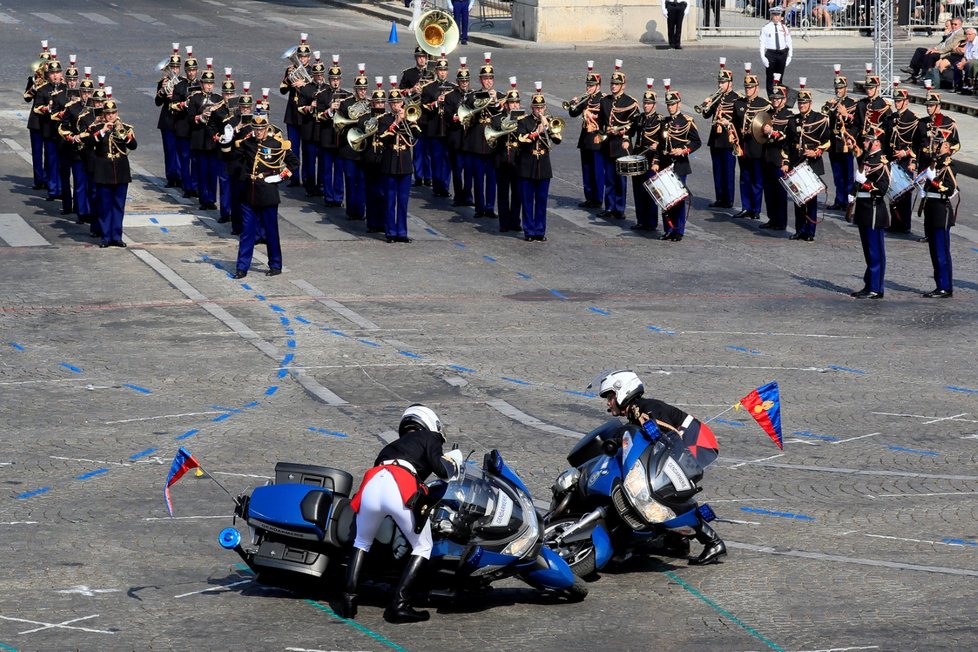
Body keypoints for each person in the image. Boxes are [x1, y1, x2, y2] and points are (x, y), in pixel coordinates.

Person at [338, 404, 465, 623]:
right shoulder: (429, 437)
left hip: (372, 482)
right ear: (430, 424)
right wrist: (454, 461)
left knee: (361, 542)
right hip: (399, 484)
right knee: (423, 546)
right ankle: (399, 605)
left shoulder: (391, 446)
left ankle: (348, 601)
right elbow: (443, 471)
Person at [592, 370, 726, 565]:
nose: (608, 402)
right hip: (680, 457)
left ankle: (713, 542)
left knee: (656, 497)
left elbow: (670, 437)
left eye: (610, 397)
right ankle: (677, 540)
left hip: (688, 456)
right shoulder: (637, 411)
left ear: (623, 392)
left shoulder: (646, 409)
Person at [232, 110, 299, 278]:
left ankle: (275, 264)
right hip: (250, 193)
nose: (258, 132)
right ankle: (241, 267)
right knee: (247, 232)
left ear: (267, 127)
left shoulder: (276, 144)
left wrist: (279, 177)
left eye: (261, 129)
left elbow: (294, 163)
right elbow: (234, 159)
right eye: (256, 129)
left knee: (271, 231)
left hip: (268, 193)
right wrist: (227, 142)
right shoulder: (247, 143)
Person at [915, 92, 960, 298]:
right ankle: (940, 284)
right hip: (931, 207)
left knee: (942, 250)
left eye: (939, 144)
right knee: (934, 250)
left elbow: (950, 188)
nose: (935, 146)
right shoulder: (934, 162)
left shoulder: (947, 166)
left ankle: (945, 286)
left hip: (941, 209)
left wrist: (933, 179)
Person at [848, 127, 890, 299]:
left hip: (874, 209)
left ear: (876, 142)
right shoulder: (867, 158)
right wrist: (852, 194)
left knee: (875, 251)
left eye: (867, 140)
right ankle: (870, 284)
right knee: (868, 251)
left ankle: (875, 288)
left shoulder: (881, 161)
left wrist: (864, 183)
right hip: (864, 209)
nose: (864, 142)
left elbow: (882, 189)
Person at [89, 99, 137, 248]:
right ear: (104, 115)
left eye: (113, 113)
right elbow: (90, 143)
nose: (111, 116)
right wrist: (103, 131)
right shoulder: (96, 128)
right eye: (108, 113)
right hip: (104, 170)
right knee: (104, 206)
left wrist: (123, 134)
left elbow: (133, 145)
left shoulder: (125, 128)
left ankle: (116, 236)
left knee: (118, 205)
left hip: (120, 170)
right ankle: (105, 236)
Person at [516, 86, 560, 241]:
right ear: (532, 108)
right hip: (527, 164)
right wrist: (537, 131)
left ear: (545, 107)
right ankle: (529, 230)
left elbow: (557, 140)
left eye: (541, 107)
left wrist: (547, 127)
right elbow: (521, 140)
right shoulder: (524, 121)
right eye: (536, 108)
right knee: (527, 200)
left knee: (541, 200)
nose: (539, 110)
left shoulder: (548, 121)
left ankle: (540, 230)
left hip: (543, 165)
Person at [655, 88, 701, 241]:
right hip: (665, 165)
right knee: (666, 200)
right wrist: (656, 162)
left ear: (679, 104)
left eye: (673, 104)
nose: (670, 107)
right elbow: (659, 145)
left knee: (678, 200)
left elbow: (697, 142)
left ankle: (678, 230)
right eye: (668, 104)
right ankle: (668, 229)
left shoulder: (686, 121)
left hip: (679, 165)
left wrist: (683, 150)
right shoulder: (664, 122)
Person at [785, 85, 830, 241]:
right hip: (797, 163)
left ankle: (810, 231)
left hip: (812, 164)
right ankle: (800, 229)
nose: (802, 105)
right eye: (800, 103)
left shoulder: (819, 119)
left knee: (811, 200)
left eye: (804, 103)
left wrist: (816, 151)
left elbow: (827, 141)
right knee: (799, 199)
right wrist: (786, 162)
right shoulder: (793, 121)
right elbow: (788, 144)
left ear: (810, 103)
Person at [378, 89, 422, 243]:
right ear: (389, 104)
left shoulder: (409, 118)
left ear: (402, 103)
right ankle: (390, 232)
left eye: (398, 102)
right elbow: (382, 138)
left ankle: (402, 232)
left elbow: (418, 135)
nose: (396, 105)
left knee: (403, 201)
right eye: (393, 103)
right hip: (390, 163)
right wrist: (396, 122)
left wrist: (411, 121)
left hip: (405, 164)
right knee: (390, 200)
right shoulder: (384, 119)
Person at [598, 62, 640, 220]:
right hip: (608, 144)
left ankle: (619, 208)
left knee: (620, 179)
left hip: (621, 145)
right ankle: (609, 206)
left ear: (623, 85)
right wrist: (603, 131)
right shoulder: (605, 101)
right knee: (608, 178)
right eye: (612, 83)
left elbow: (635, 124)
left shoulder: (629, 103)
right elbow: (602, 121)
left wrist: (624, 132)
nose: (613, 86)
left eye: (616, 84)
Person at [701, 61, 740, 210]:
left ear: (730, 83)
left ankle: (728, 199)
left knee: (728, 170)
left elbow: (738, 119)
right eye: (720, 82)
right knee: (717, 169)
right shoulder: (716, 97)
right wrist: (707, 105)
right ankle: (719, 197)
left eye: (723, 82)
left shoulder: (736, 98)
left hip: (728, 138)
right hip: (715, 139)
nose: (721, 85)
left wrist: (727, 122)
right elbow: (706, 115)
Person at [733, 70, 771, 220]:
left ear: (757, 87)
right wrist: (734, 140)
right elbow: (735, 124)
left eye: (750, 87)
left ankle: (755, 208)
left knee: (757, 179)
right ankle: (745, 206)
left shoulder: (764, 105)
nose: (748, 89)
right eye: (746, 87)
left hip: (757, 146)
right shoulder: (739, 104)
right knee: (744, 177)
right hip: (743, 146)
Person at [567, 62, 606, 210]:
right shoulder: (585, 99)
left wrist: (591, 114)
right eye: (587, 85)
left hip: (596, 139)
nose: (588, 88)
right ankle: (589, 196)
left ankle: (597, 198)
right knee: (587, 169)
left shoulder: (603, 99)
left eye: (591, 85)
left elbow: (605, 118)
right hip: (585, 140)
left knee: (597, 170)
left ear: (598, 86)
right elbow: (572, 113)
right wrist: (574, 105)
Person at [629, 80, 663, 233]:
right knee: (638, 191)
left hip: (650, 160)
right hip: (638, 158)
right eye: (645, 103)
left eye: (649, 103)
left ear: (654, 105)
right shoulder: (640, 118)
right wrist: (625, 139)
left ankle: (651, 222)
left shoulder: (660, 120)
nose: (646, 106)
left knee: (650, 192)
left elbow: (662, 142)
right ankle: (641, 220)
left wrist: (657, 155)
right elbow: (631, 131)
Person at [886, 84, 920, 234]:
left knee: (904, 193)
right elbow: (888, 139)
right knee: (893, 192)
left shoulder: (912, 119)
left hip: (905, 160)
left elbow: (917, 143)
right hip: (893, 159)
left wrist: (906, 154)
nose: (897, 103)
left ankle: (904, 224)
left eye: (900, 101)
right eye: (895, 100)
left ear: (906, 101)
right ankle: (895, 222)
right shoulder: (892, 118)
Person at [280, 33, 312, 187]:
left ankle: (307, 178)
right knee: (293, 148)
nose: (302, 59)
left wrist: (304, 84)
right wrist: (288, 78)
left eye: (305, 57)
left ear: (309, 58)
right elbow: (282, 90)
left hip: (305, 115)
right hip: (292, 114)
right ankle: (294, 177)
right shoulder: (290, 70)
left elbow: (314, 92)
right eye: (300, 56)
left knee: (307, 149)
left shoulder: (312, 72)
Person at [490, 83, 524, 233]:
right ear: (507, 104)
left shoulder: (524, 119)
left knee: (517, 193)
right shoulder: (498, 119)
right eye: (512, 103)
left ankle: (515, 221)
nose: (515, 105)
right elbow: (492, 137)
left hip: (518, 161)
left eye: (517, 102)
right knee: (503, 193)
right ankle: (504, 222)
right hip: (502, 160)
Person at [399, 46, 434, 187]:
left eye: (424, 57)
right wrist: (412, 90)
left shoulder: (432, 73)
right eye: (419, 57)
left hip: (429, 115)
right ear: (415, 58)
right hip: (415, 116)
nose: (422, 59)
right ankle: (419, 176)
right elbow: (399, 92)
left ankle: (429, 176)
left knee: (429, 149)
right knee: (418, 149)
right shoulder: (409, 74)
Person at [759, 83, 792, 232]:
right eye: (773, 98)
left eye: (778, 98)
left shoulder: (788, 116)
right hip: (767, 156)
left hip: (779, 158)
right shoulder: (768, 114)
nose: (775, 101)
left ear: (784, 99)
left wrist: (772, 132)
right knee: (769, 191)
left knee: (779, 193)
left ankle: (781, 222)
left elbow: (788, 139)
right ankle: (772, 218)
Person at [825, 69, 858, 210]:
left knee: (848, 174)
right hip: (834, 144)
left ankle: (848, 201)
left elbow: (855, 123)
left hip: (845, 142)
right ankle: (839, 200)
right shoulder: (832, 103)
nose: (838, 91)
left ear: (845, 88)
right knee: (837, 174)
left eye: (840, 88)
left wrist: (844, 114)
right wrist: (829, 105)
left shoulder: (852, 103)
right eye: (836, 88)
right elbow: (824, 116)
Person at [170, 49, 200, 198]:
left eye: (193, 70)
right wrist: (184, 104)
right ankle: (187, 187)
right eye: (189, 70)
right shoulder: (179, 86)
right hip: (183, 126)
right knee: (184, 157)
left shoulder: (201, 86)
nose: (191, 73)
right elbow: (172, 105)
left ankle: (195, 186)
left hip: (196, 128)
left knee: (195, 159)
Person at [901, 17, 964, 83]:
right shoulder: (952, 33)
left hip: (945, 53)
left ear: (960, 24)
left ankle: (924, 74)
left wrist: (938, 51)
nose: (953, 26)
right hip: (940, 50)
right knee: (920, 50)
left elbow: (951, 46)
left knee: (931, 55)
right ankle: (912, 69)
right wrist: (934, 48)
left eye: (955, 24)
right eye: (952, 24)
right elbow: (942, 43)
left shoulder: (959, 33)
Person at [156, 45, 183, 189]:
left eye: (176, 67)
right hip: (167, 120)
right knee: (169, 150)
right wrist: (162, 90)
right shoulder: (163, 81)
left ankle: (181, 176)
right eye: (171, 67)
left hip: (180, 120)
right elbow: (157, 102)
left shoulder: (183, 83)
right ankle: (171, 177)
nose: (173, 70)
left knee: (180, 150)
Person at [759, 6, 792, 96]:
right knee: (770, 77)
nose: (776, 17)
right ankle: (770, 96)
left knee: (779, 76)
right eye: (775, 15)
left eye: (778, 15)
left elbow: (789, 42)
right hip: (771, 54)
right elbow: (762, 43)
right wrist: (763, 57)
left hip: (782, 54)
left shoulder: (784, 27)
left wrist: (790, 56)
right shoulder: (766, 28)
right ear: (771, 15)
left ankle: (779, 96)